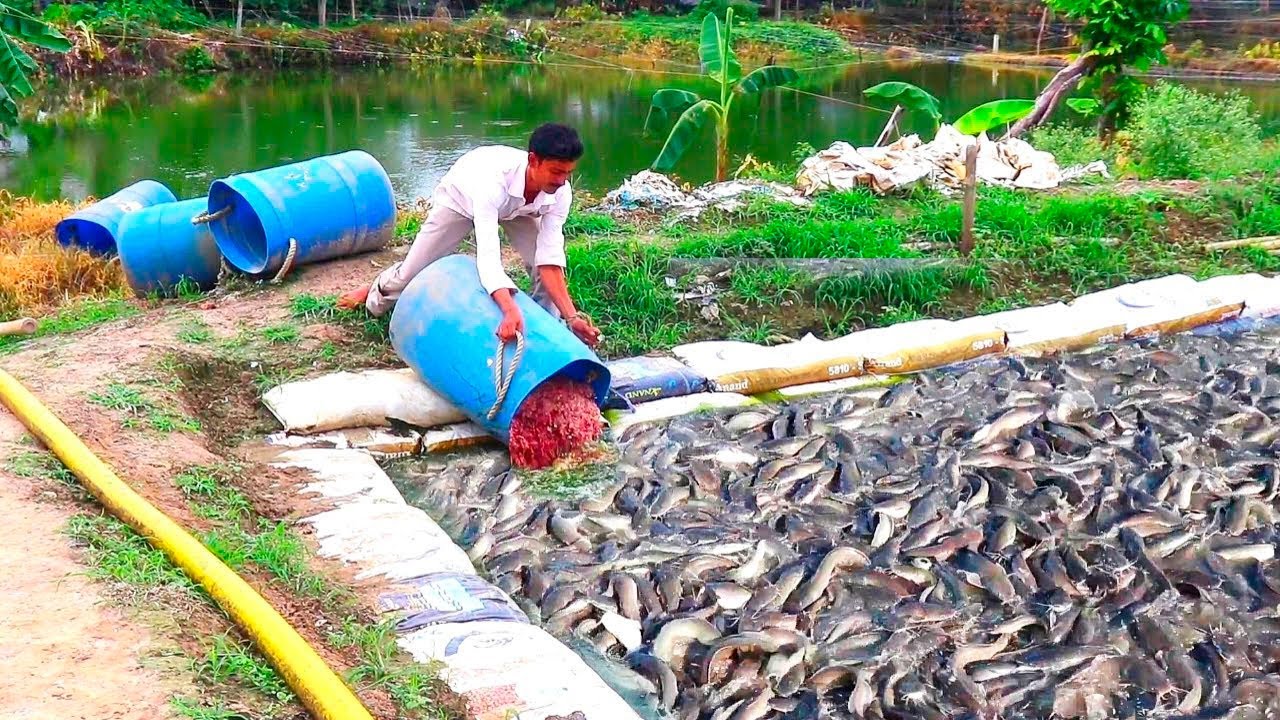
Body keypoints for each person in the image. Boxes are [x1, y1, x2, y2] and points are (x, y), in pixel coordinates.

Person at [338, 123, 603, 348]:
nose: (561, 180)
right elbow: (488, 258)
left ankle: (545, 336)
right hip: (462, 200)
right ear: (533, 160)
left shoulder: (559, 192)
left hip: (521, 208)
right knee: (413, 272)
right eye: (556, 171)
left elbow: (550, 258)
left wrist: (571, 317)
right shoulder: (492, 182)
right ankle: (374, 293)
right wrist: (509, 309)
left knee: (540, 267)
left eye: (568, 172)